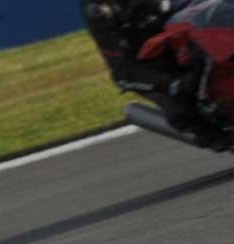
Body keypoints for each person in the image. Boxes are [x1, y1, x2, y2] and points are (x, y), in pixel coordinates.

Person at [82, 0, 231, 150]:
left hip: (183, 35)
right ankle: (214, 135)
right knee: (180, 110)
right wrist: (174, 84)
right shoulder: (101, 14)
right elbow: (123, 73)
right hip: (152, 66)